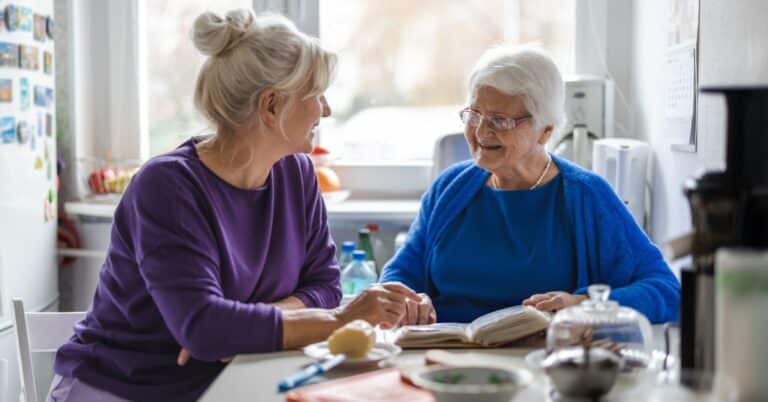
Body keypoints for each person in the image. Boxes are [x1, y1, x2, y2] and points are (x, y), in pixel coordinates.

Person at [50, 10, 419, 402]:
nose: (325, 109)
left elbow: (324, 284)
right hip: (124, 388)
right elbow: (206, 330)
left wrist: (239, 326)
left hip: (225, 379)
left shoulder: (296, 174)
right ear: (271, 106)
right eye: (314, 94)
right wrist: (340, 321)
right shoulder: (167, 187)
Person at [380, 46, 680, 325]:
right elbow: (401, 272)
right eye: (475, 114)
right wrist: (406, 301)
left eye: (499, 120)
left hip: (545, 363)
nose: (481, 131)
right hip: (446, 358)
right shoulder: (450, 188)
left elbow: (667, 291)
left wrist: (584, 305)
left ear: (544, 131)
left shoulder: (587, 196)